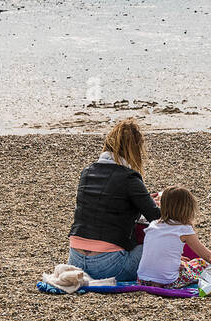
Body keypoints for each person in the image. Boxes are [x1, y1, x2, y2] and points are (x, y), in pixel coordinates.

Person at [66, 118, 160, 282]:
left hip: (75, 261)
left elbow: (105, 205)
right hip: (109, 266)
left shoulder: (87, 172)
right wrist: (157, 204)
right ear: (135, 151)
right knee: (161, 245)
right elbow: (156, 217)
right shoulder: (130, 177)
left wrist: (140, 201)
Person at [136, 186, 211, 288]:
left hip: (142, 280)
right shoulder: (183, 229)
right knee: (201, 263)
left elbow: (159, 251)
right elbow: (209, 257)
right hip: (167, 282)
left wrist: (175, 259)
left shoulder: (153, 225)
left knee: (183, 264)